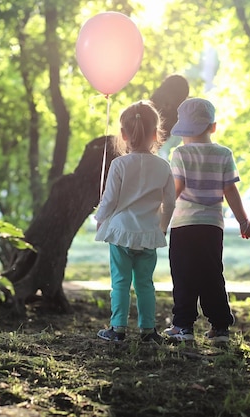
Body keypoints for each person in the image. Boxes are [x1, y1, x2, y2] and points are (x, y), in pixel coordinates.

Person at [163, 98, 250, 344]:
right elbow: (230, 191)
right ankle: (220, 327)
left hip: (184, 224)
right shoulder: (224, 154)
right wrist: (243, 221)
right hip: (212, 226)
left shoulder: (180, 153)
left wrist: (161, 212)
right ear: (213, 127)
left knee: (183, 275)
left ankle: (183, 326)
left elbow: (177, 187)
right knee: (212, 274)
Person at [94, 100, 176, 343]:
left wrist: (99, 220)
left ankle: (117, 328)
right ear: (155, 134)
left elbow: (109, 200)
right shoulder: (163, 166)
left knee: (120, 282)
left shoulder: (119, 164)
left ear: (123, 134)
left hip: (121, 233)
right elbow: (170, 202)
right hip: (148, 234)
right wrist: (162, 226)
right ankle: (148, 331)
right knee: (145, 284)